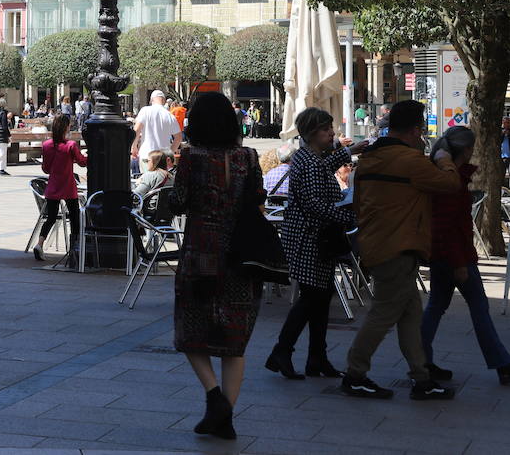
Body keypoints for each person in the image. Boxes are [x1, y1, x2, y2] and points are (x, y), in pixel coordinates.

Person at [342, 99, 460, 400]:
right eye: (421, 130)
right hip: (399, 247)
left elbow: (357, 202)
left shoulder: (369, 158)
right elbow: (450, 184)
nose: (422, 136)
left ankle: (421, 378)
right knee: (383, 314)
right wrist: (444, 157)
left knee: (410, 315)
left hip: (377, 243)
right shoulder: (411, 161)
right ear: (413, 130)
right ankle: (355, 374)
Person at [167, 90, 265, 441]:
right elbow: (258, 198)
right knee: (234, 339)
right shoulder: (249, 158)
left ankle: (214, 398)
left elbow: (178, 203)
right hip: (241, 258)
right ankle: (226, 415)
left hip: (201, 255)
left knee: (190, 333)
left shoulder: (191, 159)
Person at [265, 107, 355, 381]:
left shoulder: (307, 157)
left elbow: (324, 166)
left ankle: (317, 358)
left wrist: (353, 150)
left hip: (312, 238)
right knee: (311, 298)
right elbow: (314, 204)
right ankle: (283, 352)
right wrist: (348, 214)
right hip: (309, 239)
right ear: (313, 132)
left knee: (320, 296)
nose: (332, 133)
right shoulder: (310, 161)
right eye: (327, 129)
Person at [420, 125, 510, 385]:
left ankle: (421, 358)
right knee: (478, 307)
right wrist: (459, 262)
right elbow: (450, 225)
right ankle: (502, 363)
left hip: (443, 254)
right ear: (468, 149)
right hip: (455, 256)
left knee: (437, 304)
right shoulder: (453, 181)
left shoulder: (443, 175)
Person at [33, 113, 85, 262]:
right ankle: (74, 248)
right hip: (68, 185)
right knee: (75, 218)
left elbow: (46, 169)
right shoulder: (70, 145)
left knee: (50, 218)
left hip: (53, 185)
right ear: (66, 127)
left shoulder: (47, 145)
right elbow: (81, 162)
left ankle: (40, 244)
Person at [133, 90, 182, 178]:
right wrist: (169, 153)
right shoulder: (169, 115)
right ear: (163, 101)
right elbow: (178, 138)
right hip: (163, 159)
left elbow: (136, 130)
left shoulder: (145, 111)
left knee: (147, 185)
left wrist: (134, 147)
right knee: (160, 186)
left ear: (151, 100)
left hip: (147, 156)